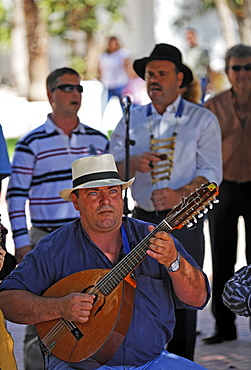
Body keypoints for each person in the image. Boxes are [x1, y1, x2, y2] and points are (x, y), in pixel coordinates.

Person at [0, 153, 210, 370]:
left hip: (152, 362)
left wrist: (175, 262)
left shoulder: (154, 237)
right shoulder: (54, 248)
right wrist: (59, 307)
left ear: (121, 196)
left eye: (112, 191)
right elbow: (7, 300)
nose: (105, 200)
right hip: (79, 365)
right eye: (93, 193)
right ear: (76, 202)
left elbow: (198, 298)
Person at [109, 43, 222, 361]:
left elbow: (213, 174)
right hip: (141, 219)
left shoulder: (201, 119)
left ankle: (183, 363)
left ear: (180, 80)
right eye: (149, 74)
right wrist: (132, 164)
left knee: (185, 297)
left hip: (185, 221)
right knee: (142, 295)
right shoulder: (132, 119)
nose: (154, 80)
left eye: (161, 73)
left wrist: (179, 194)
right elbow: (110, 165)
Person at [6, 67, 109, 264]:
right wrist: (21, 243)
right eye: (67, 88)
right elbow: (16, 196)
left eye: (78, 88)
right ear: (50, 94)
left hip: (93, 240)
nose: (75, 94)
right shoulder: (30, 144)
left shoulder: (99, 140)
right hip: (45, 240)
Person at [202, 44, 251, 345]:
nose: (243, 74)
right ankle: (224, 326)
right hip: (224, 187)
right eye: (237, 68)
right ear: (227, 71)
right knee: (222, 259)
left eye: (248, 67)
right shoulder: (214, 106)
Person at [97, 36, 130, 109]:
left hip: (120, 83)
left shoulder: (122, 53)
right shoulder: (103, 55)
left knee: (124, 107)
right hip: (107, 85)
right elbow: (100, 68)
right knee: (104, 107)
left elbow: (127, 67)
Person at [184, 27, 211, 104]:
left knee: (200, 101)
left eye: (191, 37)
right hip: (190, 81)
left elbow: (207, 66)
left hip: (200, 79)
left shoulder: (202, 50)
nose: (190, 40)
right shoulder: (187, 51)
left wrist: (210, 82)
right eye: (188, 38)